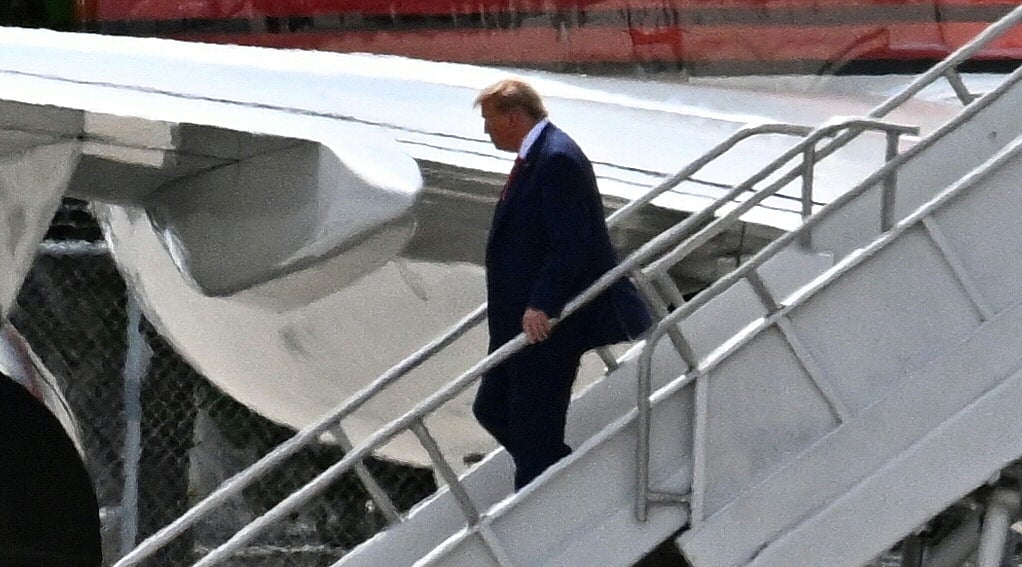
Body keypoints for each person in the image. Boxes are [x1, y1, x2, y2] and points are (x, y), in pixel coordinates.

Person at [472, 78, 652, 490]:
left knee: (533, 428)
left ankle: (548, 497)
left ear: (514, 116)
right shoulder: (538, 157)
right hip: (518, 325)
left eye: (490, 120)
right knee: (492, 407)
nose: (486, 131)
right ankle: (562, 475)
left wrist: (544, 303)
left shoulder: (557, 159)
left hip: (549, 328)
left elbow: (572, 242)